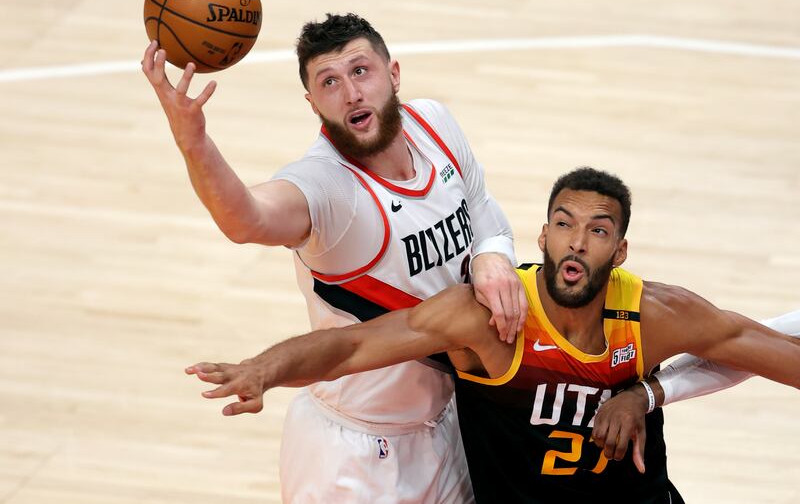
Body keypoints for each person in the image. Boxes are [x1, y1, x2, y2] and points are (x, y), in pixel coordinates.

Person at [187, 167, 800, 503]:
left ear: (620, 250)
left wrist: (647, 392)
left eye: (597, 231)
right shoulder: (490, 319)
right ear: (542, 237)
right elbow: (353, 345)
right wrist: (264, 367)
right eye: (564, 224)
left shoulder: (652, 314)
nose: (577, 242)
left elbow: (768, 350)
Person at [142, 13, 529, 503]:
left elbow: (483, 209)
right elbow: (246, 219)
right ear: (312, 104)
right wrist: (192, 141)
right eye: (329, 82)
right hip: (355, 455)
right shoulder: (331, 188)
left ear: (393, 74)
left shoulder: (434, 123)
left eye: (360, 71)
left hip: (449, 426)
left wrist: (491, 256)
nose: (350, 93)